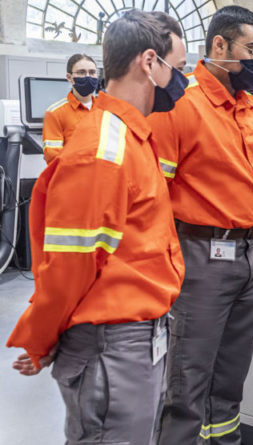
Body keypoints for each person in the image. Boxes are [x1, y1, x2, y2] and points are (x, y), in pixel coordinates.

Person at [6, 10, 187, 445]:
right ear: (149, 62)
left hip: (137, 335)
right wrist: (40, 338)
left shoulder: (132, 136)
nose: (182, 83)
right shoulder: (103, 150)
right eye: (178, 69)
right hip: (111, 345)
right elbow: (69, 266)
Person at [147, 6, 253, 444]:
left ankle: (225, 439)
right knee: (186, 381)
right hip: (200, 257)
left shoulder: (249, 105)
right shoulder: (178, 104)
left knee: (231, 380)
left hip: (251, 254)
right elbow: (153, 195)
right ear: (219, 45)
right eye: (252, 50)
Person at [42, 53, 98, 164]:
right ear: (69, 77)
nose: (88, 76)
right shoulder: (55, 113)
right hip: (73, 178)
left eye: (92, 72)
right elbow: (53, 158)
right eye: (81, 72)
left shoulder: (106, 109)